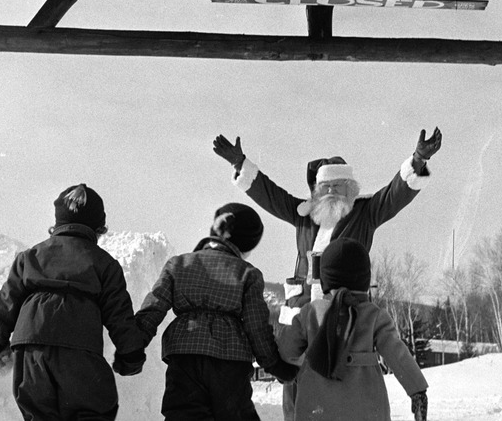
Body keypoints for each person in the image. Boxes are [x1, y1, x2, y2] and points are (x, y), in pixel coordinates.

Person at [213, 128, 440, 419]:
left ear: (351, 189)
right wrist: (240, 164)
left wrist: (418, 160)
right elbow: (271, 195)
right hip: (304, 311)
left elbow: (396, 192)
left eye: (339, 187)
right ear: (317, 191)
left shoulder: (365, 213)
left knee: (343, 381)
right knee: (294, 382)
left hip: (347, 312)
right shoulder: (304, 214)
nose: (332, 194)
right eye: (326, 188)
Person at [0, 183, 145, 421]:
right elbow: (119, 314)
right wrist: (131, 355)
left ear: (56, 224)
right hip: (79, 349)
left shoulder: (30, 257)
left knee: (39, 414)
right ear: (99, 228)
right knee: (92, 411)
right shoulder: (104, 264)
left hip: (31, 349)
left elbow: (6, 301)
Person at [134, 202, 299, 421]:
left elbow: (152, 308)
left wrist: (132, 345)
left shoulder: (179, 264)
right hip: (229, 362)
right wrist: (274, 364)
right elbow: (256, 326)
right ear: (246, 245)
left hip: (184, 358)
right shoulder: (247, 273)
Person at [278, 238, 429, 421]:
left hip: (316, 409)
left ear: (325, 278)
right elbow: (397, 354)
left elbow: (286, 349)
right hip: (367, 410)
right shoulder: (374, 316)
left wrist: (280, 368)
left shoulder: (310, 313)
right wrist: (417, 390)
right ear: (364, 278)